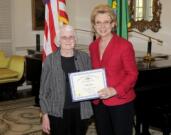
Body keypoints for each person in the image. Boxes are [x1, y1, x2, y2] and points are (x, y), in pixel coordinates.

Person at [89, 4, 138, 135]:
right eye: (98, 22)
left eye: (106, 22)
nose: (102, 26)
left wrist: (114, 90)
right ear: (94, 25)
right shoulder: (92, 46)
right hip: (99, 102)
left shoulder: (124, 45)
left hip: (120, 102)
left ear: (113, 24)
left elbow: (132, 74)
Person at [39, 25, 93, 135]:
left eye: (71, 37)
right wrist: (44, 115)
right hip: (57, 111)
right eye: (64, 37)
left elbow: (90, 82)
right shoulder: (50, 60)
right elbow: (43, 91)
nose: (68, 40)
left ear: (75, 39)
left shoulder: (84, 57)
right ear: (59, 40)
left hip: (81, 110)